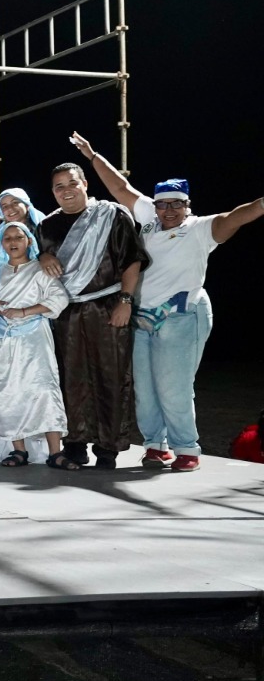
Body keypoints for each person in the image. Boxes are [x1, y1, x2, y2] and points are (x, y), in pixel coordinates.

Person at [74, 132, 264, 471]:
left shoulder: (199, 229)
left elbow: (237, 215)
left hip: (180, 315)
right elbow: (120, 188)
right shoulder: (149, 218)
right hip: (142, 316)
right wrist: (91, 155)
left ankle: (186, 448)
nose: (169, 210)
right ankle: (155, 446)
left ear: (188, 204)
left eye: (177, 203)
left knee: (174, 387)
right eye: (164, 203)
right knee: (145, 391)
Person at [35, 155, 150, 470]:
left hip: (108, 306)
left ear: (85, 184)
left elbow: (131, 260)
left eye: (73, 183)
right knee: (69, 377)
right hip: (65, 312)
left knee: (110, 375)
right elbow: (37, 265)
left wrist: (125, 300)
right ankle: (74, 443)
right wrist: (43, 255)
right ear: (53, 192)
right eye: (59, 187)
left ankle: (108, 447)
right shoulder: (46, 224)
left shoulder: (112, 215)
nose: (67, 190)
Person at [0, 221, 73, 469]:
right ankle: (18, 451)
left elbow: (60, 298)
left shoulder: (39, 270)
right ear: (1, 244)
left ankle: (55, 452)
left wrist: (25, 311)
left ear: (29, 240)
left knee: (44, 390)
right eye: (7, 239)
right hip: (0, 342)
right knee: (8, 393)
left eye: (19, 237)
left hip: (33, 339)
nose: (13, 242)